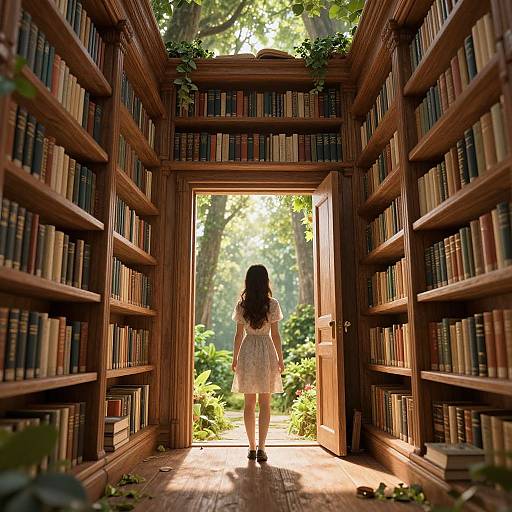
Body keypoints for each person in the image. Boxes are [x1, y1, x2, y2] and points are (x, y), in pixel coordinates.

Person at [231, 264, 284, 462]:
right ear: (265, 282)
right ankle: (262, 447)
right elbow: (276, 335)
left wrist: (235, 358)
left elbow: (237, 335)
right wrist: (280, 359)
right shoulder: (273, 304)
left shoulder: (241, 305)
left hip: (247, 351)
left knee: (249, 404)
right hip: (266, 351)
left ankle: (251, 447)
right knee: (265, 403)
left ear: (248, 282)